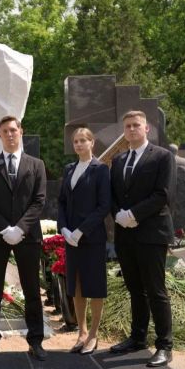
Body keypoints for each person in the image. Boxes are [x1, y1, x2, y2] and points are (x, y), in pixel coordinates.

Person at [0, 115, 48, 361]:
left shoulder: (36, 164)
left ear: (20, 131)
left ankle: (36, 341)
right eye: (5, 131)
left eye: (13, 130)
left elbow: (39, 201)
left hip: (27, 236)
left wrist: (19, 228)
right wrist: (4, 228)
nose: (9, 134)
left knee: (32, 289)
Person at [109, 110, 175, 367]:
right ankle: (138, 338)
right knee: (135, 289)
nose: (132, 129)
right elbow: (113, 195)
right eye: (127, 126)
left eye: (136, 125)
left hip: (151, 233)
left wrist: (134, 214)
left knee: (156, 290)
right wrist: (118, 214)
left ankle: (164, 346)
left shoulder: (162, 156)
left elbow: (163, 194)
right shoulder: (118, 160)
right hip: (125, 234)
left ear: (146, 128)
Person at [57, 127, 110, 355]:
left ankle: (94, 335)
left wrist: (81, 231)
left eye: (82, 140)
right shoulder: (69, 169)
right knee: (76, 285)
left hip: (92, 238)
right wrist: (64, 228)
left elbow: (104, 206)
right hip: (71, 239)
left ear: (92, 143)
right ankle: (81, 332)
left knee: (94, 287)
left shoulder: (101, 169)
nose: (78, 144)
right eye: (75, 141)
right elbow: (61, 201)